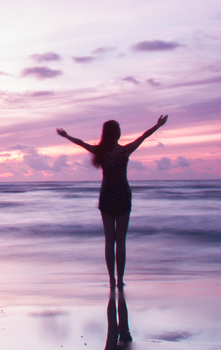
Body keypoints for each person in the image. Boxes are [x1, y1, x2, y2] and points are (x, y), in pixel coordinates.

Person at [56, 115, 168, 288]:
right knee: (121, 242)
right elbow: (144, 136)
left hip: (107, 195)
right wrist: (158, 125)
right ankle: (120, 280)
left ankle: (111, 280)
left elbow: (81, 143)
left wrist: (66, 136)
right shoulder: (125, 151)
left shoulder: (101, 152)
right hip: (123, 195)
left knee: (109, 241)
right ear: (118, 134)